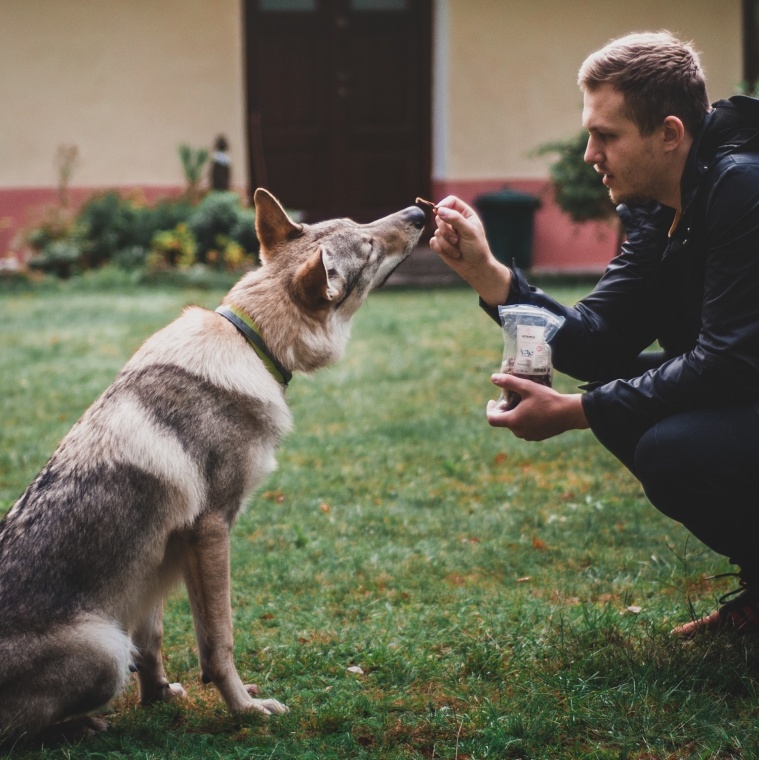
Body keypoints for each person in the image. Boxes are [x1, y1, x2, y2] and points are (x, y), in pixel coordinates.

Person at [429, 31, 759, 637]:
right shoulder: (666, 207)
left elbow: (728, 361)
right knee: (625, 398)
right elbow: (599, 340)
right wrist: (490, 275)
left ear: (668, 133)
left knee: (668, 446)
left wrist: (578, 410)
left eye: (605, 136)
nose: (588, 154)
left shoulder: (744, 188)